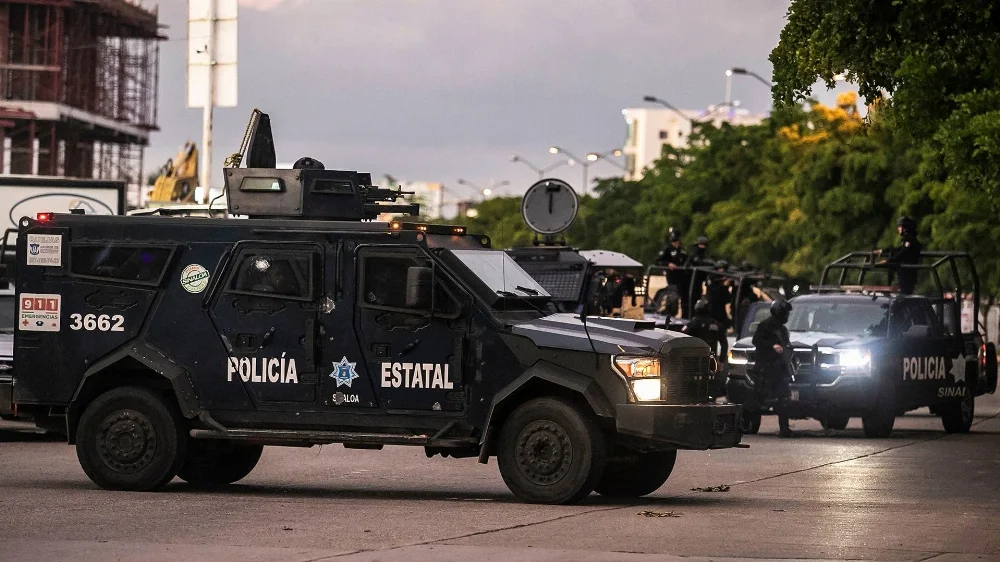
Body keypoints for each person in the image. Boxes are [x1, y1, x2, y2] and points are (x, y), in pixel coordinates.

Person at [752, 299, 795, 437]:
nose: (787, 316)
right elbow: (756, 340)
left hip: (779, 369)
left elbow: (786, 347)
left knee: (783, 398)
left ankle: (784, 428)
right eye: (786, 313)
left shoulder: (782, 330)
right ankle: (745, 423)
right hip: (767, 369)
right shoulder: (766, 325)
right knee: (757, 400)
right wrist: (772, 345)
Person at [683, 298, 729, 396]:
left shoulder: (692, 324)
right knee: (710, 380)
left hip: (693, 359)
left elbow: (682, 338)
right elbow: (724, 344)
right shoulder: (716, 325)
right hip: (711, 358)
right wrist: (721, 361)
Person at [882, 216, 922, 294]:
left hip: (908, 274)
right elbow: (898, 250)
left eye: (900, 227)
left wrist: (888, 261)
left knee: (905, 294)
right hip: (905, 273)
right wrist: (884, 251)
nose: (898, 229)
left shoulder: (910, 240)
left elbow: (903, 253)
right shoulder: (907, 240)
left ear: (905, 228)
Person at [655, 228, 690, 317]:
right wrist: (668, 264)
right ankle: (669, 315)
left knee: (684, 300)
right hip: (672, 278)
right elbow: (658, 261)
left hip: (683, 279)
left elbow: (687, 261)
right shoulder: (667, 250)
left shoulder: (683, 251)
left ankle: (685, 317)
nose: (675, 243)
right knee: (672, 299)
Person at [706, 260, 733, 330]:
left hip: (721, 309)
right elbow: (713, 295)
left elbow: (727, 299)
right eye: (720, 268)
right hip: (713, 309)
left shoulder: (722, 279)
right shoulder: (712, 279)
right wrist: (723, 285)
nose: (721, 270)